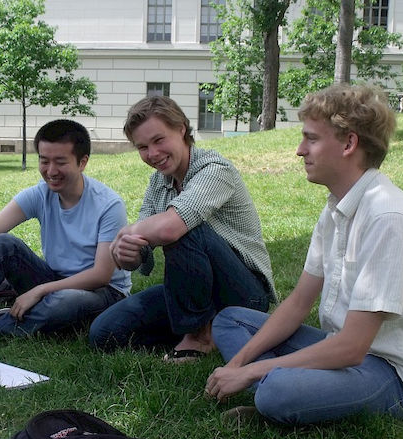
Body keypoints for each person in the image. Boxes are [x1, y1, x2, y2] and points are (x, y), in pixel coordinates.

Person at [205, 84, 403, 425]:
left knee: (277, 391)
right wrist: (237, 364)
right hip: (340, 350)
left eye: (311, 139)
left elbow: (353, 347)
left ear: (349, 144)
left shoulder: (389, 215)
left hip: (394, 373)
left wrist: (253, 370)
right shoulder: (335, 208)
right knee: (230, 320)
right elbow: (299, 302)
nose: (300, 151)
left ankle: (272, 392)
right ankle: (277, 387)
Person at [89, 96, 276, 360]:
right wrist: (125, 252)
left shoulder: (215, 169)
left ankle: (197, 335)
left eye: (158, 140)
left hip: (244, 294)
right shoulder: (158, 183)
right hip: (191, 289)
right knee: (104, 334)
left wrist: (130, 233)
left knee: (183, 226)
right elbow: (142, 248)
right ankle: (207, 326)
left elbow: (168, 229)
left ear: (181, 130)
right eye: (142, 147)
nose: (152, 154)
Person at [0, 119, 131, 338]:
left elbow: (101, 275)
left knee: (63, 302)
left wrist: (39, 291)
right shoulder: (40, 193)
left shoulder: (109, 205)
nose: (51, 171)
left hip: (102, 293)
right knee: (2, 244)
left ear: (82, 162)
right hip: (55, 279)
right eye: (44, 161)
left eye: (60, 162)